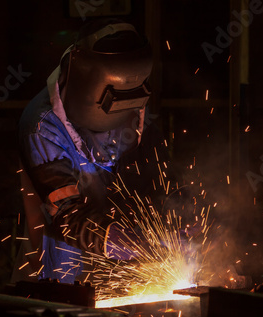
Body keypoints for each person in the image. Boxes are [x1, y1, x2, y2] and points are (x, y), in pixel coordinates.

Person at [12, 18, 170, 284]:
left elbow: (156, 175)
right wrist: (121, 240)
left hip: (121, 270)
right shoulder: (41, 127)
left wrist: (174, 225)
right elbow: (66, 215)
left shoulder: (133, 98)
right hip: (58, 268)